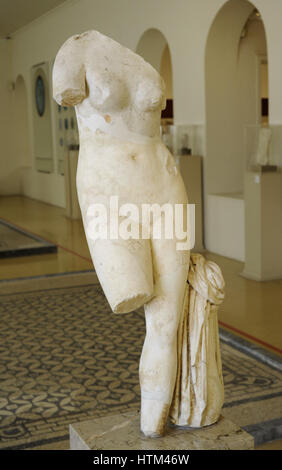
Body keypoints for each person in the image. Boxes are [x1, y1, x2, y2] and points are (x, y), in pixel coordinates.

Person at [53, 30, 190, 437]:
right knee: (132, 293)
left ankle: (153, 426)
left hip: (167, 186)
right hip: (108, 192)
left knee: (167, 323)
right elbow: (65, 93)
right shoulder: (74, 50)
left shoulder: (140, 62)